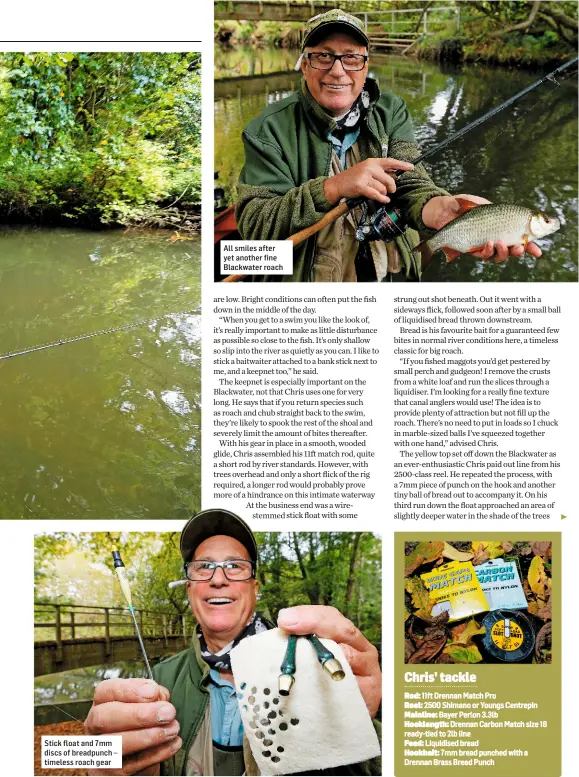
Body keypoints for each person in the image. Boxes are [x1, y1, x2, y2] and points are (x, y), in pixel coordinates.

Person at [235, 8, 541, 282]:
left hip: (386, 274)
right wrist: (333, 187)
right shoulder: (266, 129)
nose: (337, 70)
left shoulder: (390, 111)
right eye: (323, 56)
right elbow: (254, 226)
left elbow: (411, 181)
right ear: (304, 64)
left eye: (351, 57)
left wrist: (439, 208)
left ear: (366, 65)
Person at [85, 509, 381, 775]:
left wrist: (363, 734)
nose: (218, 579)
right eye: (203, 566)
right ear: (189, 589)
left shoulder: (310, 663)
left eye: (235, 566)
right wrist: (101, 761)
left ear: (255, 588)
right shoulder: (159, 679)